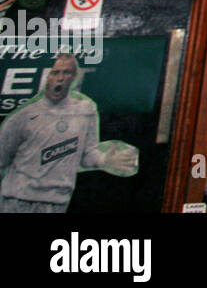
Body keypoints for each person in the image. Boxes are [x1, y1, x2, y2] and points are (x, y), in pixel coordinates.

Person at [0, 54, 137, 212]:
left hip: (57, 201)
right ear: (46, 76)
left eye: (66, 73)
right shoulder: (23, 117)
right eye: (55, 72)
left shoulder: (86, 111)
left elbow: (87, 153)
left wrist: (104, 159)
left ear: (74, 78)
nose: (60, 78)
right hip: (17, 199)